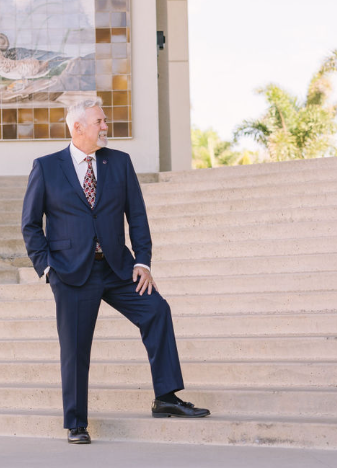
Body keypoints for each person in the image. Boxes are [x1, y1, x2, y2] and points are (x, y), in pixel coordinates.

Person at [21, 97, 210, 444]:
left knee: (157, 310)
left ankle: (166, 398)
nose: (106, 127)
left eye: (104, 121)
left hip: (118, 269)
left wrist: (142, 261)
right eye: (99, 122)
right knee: (76, 348)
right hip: (72, 273)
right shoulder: (46, 167)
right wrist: (46, 268)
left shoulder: (119, 163)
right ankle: (76, 423)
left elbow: (136, 215)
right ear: (77, 127)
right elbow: (30, 225)